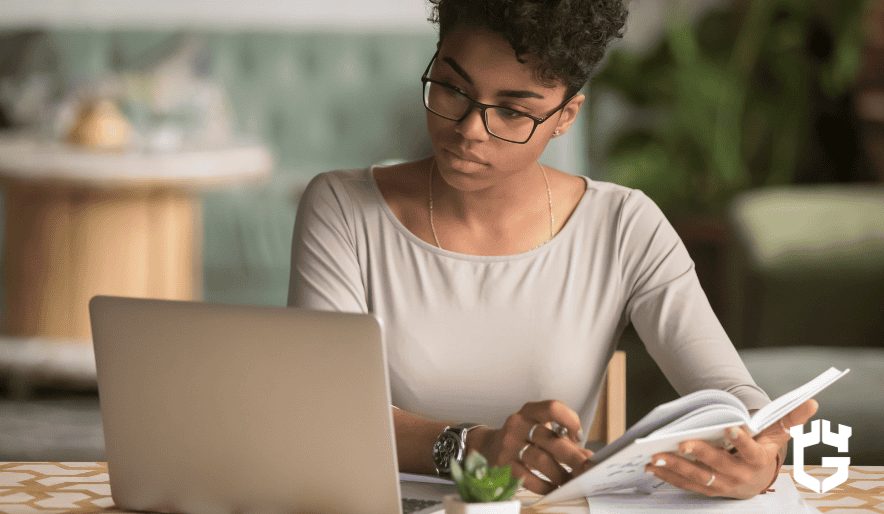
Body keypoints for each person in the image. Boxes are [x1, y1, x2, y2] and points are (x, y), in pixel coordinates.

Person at [288, 0, 817, 500]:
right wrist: (475, 449)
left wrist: (762, 457)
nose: (471, 130)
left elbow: (728, 390)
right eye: (452, 89)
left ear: (565, 116)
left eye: (514, 113)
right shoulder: (342, 207)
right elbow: (317, 410)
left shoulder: (622, 225)